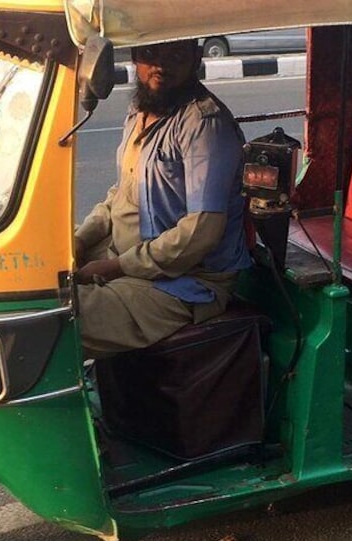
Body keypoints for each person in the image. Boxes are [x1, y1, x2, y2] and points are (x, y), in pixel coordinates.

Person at [74, 39, 251, 359]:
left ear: (196, 58)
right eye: (151, 54)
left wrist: (117, 266)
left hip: (183, 282)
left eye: (175, 54)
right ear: (135, 56)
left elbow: (202, 229)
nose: (160, 65)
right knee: (35, 273)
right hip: (128, 255)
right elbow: (121, 192)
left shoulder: (204, 126)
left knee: (59, 319)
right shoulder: (141, 109)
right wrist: (80, 239)